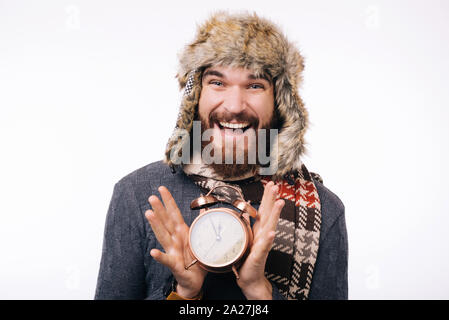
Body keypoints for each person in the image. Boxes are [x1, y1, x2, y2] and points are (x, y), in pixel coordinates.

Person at [94, 11, 348, 300]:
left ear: (279, 104)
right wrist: (185, 294)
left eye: (255, 86)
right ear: (195, 98)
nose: (235, 106)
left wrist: (260, 291)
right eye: (217, 82)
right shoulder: (138, 194)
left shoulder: (322, 209)